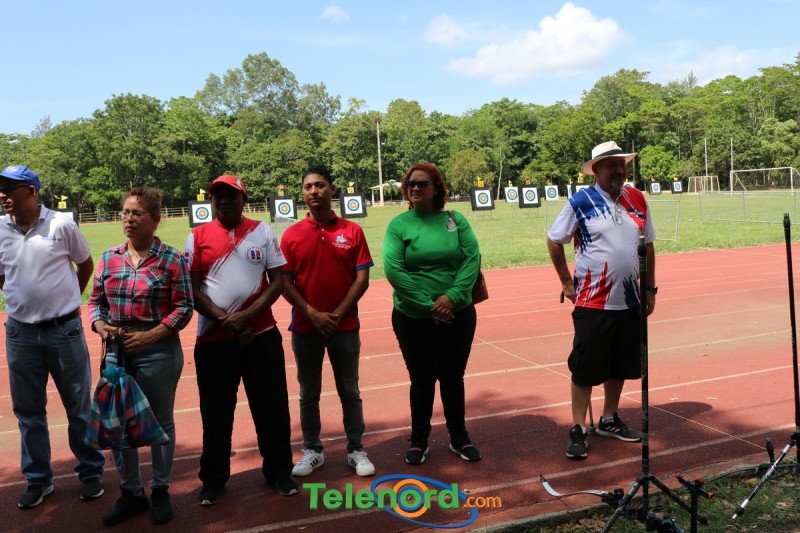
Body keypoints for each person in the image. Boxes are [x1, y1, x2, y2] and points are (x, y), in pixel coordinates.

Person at [185, 174, 297, 507]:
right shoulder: (197, 236)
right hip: (213, 340)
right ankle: (213, 479)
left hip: (260, 335)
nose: (224, 201)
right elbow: (191, 289)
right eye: (217, 196)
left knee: (272, 406)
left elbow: (278, 280)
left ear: (243, 199)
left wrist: (246, 316)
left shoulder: (261, 231)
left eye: (231, 195)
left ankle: (279, 472)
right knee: (216, 412)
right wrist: (227, 320)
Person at [0, 165, 106, 510]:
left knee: (79, 407)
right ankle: (38, 479)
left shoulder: (61, 224)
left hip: (65, 330)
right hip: (20, 333)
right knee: (28, 411)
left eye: (9, 188)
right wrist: (21, 300)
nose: (2, 195)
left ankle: (90, 471)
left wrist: (68, 302)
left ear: (31, 191)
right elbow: (2, 276)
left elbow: (85, 264)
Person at [546, 141, 657, 460]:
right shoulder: (581, 201)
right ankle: (578, 427)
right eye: (611, 165)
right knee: (585, 367)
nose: (619, 170)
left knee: (620, 363)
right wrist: (566, 281)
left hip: (630, 300)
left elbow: (648, 245)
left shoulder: (637, 198)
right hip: (592, 302)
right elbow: (554, 240)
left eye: (621, 164)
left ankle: (609, 418)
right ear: (596, 170)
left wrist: (649, 289)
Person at [89, 187, 193, 525]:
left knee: (160, 421)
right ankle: (131, 493)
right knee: (118, 423)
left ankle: (160, 489)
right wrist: (100, 325)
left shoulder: (171, 259)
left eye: (137, 213)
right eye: (125, 213)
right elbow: (96, 302)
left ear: (155, 220)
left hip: (158, 350)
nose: (128, 219)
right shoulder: (109, 257)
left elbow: (184, 306)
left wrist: (151, 336)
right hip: (117, 352)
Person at [383, 162, 482, 465]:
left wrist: (452, 297)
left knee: (453, 377)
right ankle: (418, 440)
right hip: (413, 318)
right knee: (422, 379)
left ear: (436, 188)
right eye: (410, 183)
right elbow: (394, 270)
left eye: (422, 183)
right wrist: (430, 306)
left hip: (458, 314)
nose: (414, 187)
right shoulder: (399, 225)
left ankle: (459, 437)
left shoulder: (455, 220)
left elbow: (471, 258)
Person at [280, 167, 376, 478]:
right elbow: (284, 282)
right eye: (308, 186)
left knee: (350, 390)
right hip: (305, 328)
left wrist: (337, 314)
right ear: (302, 192)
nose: (313, 191)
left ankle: (356, 449)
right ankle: (312, 450)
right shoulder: (291, 235)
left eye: (320, 185)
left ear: (332, 190)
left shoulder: (352, 230)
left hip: (344, 327)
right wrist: (313, 313)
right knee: (308, 392)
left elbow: (362, 279)